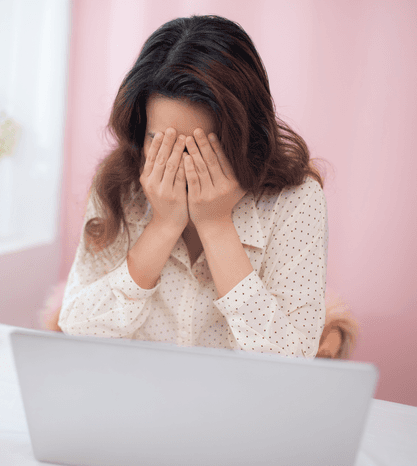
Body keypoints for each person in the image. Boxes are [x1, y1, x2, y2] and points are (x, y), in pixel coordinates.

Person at [58, 15, 327, 357]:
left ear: (244, 138)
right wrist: (162, 226)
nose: (179, 166)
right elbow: (77, 328)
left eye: (202, 150)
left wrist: (216, 226)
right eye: (160, 143)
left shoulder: (296, 201)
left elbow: (293, 359)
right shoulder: (119, 185)